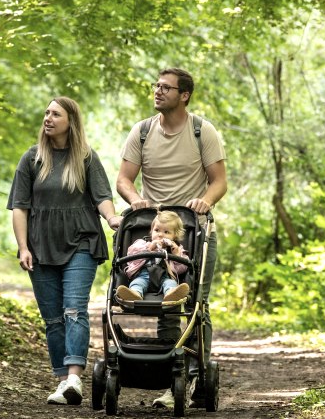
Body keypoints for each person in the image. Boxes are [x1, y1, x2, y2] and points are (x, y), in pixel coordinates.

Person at [116, 67, 227, 408]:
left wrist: (204, 201)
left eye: (166, 87)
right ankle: (171, 378)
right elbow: (123, 178)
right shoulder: (143, 132)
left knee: (195, 304)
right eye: (157, 86)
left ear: (184, 95)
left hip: (193, 232)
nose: (158, 91)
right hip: (153, 232)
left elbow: (219, 181)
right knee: (165, 306)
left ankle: (196, 376)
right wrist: (134, 198)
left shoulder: (201, 131)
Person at [7, 96, 122, 406]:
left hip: (81, 241)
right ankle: (63, 383)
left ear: (71, 121)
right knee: (53, 318)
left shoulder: (86, 157)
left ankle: (74, 376)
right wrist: (22, 248)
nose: (48, 118)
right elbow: (19, 207)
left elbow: (102, 196)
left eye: (55, 114)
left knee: (74, 309)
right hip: (40, 246)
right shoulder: (31, 159)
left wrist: (112, 218)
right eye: (46, 112)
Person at [116, 210, 190, 302]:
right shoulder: (142, 243)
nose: (160, 234)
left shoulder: (177, 249)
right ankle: (134, 294)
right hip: (143, 276)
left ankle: (171, 295)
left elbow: (182, 269)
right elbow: (131, 256)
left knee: (171, 283)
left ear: (174, 236)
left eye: (166, 232)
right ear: (151, 231)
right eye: (157, 230)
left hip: (165, 277)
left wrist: (176, 254)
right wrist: (149, 247)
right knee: (137, 283)